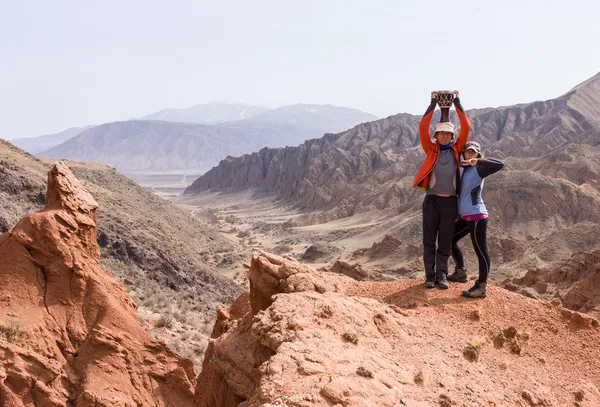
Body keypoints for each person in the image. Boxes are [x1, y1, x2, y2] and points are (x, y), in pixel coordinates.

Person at [413, 91, 471, 289]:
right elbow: (422, 126)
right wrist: (432, 104)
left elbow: (467, 127)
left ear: (452, 137)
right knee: (429, 241)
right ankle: (429, 277)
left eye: (448, 134)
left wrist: (457, 103)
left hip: (450, 203)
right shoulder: (431, 149)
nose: (445, 136)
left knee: (445, 241)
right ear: (436, 136)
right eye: (441, 133)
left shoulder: (457, 150)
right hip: (432, 202)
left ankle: (442, 276)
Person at [447, 141, 504, 298]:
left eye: (474, 152)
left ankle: (481, 287)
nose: (470, 154)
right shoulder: (462, 169)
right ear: (463, 153)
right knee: (448, 239)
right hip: (465, 217)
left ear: (478, 154)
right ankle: (460, 273)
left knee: (481, 251)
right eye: (468, 152)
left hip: (477, 216)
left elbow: (500, 164)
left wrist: (478, 161)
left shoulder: (480, 169)